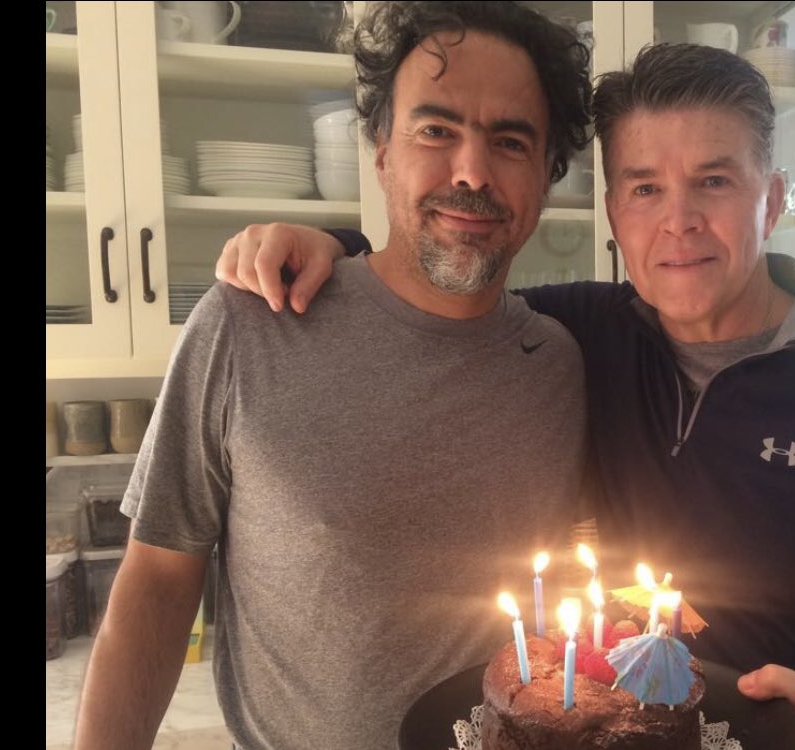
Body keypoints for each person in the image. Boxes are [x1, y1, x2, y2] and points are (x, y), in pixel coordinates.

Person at [216, 42, 795, 750]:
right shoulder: (580, 335)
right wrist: (338, 253)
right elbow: (444, 289)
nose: (679, 221)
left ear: (772, 200)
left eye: (714, 181)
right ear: (613, 212)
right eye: (644, 188)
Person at [72, 4, 595, 748]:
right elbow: (157, 577)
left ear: (547, 174)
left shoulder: (559, 365)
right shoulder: (249, 324)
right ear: (381, 151)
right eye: (435, 130)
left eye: (510, 142)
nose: (472, 172)